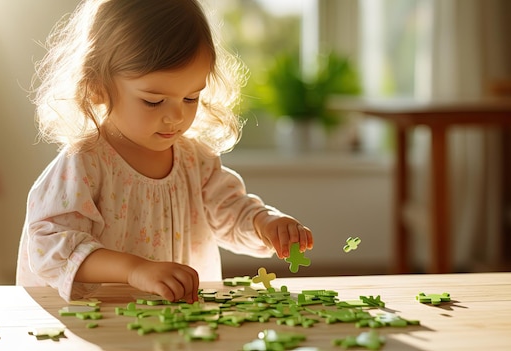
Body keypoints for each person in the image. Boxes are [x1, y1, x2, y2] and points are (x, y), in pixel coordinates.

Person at [16, 0, 313, 303]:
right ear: (97, 86)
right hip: (104, 321)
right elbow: (51, 249)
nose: (176, 117)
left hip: (178, 317)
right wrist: (135, 270)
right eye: (154, 101)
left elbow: (230, 210)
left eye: (190, 97)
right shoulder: (84, 163)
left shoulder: (195, 160)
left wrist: (265, 223)